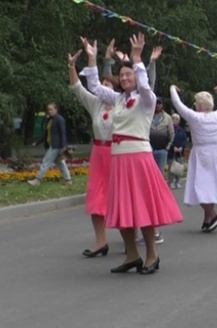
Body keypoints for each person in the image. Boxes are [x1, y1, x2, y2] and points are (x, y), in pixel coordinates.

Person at [82, 33, 182, 275]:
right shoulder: (117, 99)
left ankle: (151, 255)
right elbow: (94, 87)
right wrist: (93, 59)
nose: (126, 77)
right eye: (123, 74)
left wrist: (137, 57)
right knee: (122, 209)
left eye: (130, 74)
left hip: (138, 157)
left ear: (136, 78)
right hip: (118, 159)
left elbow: (146, 84)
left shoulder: (146, 99)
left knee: (142, 209)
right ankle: (132, 256)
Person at [170, 83, 217, 232]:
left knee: (200, 187)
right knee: (210, 186)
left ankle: (213, 214)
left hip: (201, 152)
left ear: (199, 106)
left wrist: (173, 89)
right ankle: (207, 219)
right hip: (216, 152)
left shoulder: (195, 117)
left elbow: (177, 103)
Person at [67, 49, 113, 258]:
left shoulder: (125, 103)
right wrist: (71, 67)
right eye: (102, 84)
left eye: (109, 85)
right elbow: (77, 88)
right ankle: (100, 242)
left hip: (119, 154)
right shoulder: (95, 104)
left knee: (124, 196)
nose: (104, 88)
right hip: (99, 154)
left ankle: (134, 237)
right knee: (96, 197)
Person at [28, 102, 72, 186]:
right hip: (52, 145)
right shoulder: (50, 120)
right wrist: (37, 142)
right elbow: (46, 134)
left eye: (51, 109)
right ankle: (68, 180)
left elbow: (63, 133)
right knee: (60, 163)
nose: (50, 111)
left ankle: (37, 180)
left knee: (46, 161)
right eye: (48, 109)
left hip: (56, 146)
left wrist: (64, 146)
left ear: (56, 109)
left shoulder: (60, 119)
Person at [150, 97, 175, 177]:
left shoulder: (167, 118)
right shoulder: (148, 115)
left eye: (159, 103)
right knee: (150, 173)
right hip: (149, 149)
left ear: (162, 105)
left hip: (162, 150)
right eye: (156, 103)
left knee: (160, 174)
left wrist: (167, 147)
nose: (157, 105)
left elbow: (172, 134)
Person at [167, 113, 187, 189]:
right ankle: (171, 182)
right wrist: (173, 147)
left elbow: (184, 140)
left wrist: (182, 147)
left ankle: (177, 182)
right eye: (173, 119)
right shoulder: (169, 129)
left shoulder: (181, 130)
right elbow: (168, 139)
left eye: (176, 119)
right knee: (171, 168)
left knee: (179, 168)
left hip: (180, 152)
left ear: (178, 121)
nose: (175, 120)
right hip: (171, 152)